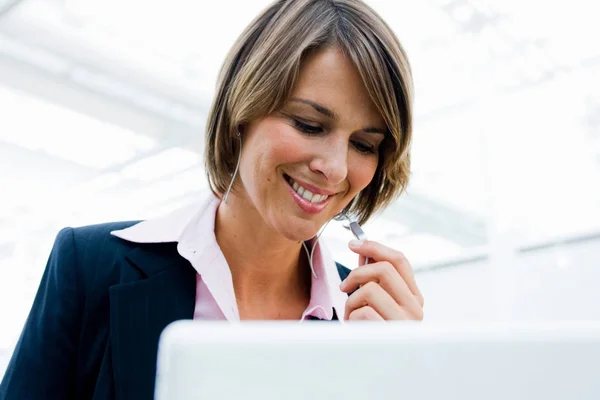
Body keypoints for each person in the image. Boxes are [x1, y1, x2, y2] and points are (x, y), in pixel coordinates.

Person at [0, 0, 424, 399]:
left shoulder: (366, 318)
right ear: (243, 110)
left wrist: (405, 377)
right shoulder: (90, 266)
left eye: (364, 145)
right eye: (309, 124)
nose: (334, 168)